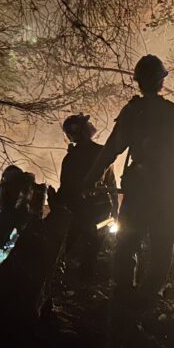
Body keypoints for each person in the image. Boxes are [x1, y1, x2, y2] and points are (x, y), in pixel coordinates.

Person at [85, 55, 174, 301]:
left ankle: (124, 294)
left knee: (127, 242)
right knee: (162, 246)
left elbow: (111, 149)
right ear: (161, 81)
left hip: (140, 190)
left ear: (139, 82)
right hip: (167, 191)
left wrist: (91, 178)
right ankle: (149, 297)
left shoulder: (133, 112)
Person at [57, 113, 118, 278]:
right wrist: (116, 209)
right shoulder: (101, 153)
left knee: (72, 244)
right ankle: (83, 276)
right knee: (92, 247)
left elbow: (65, 188)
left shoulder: (70, 158)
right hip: (98, 208)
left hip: (81, 209)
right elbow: (111, 184)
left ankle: (64, 276)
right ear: (83, 131)